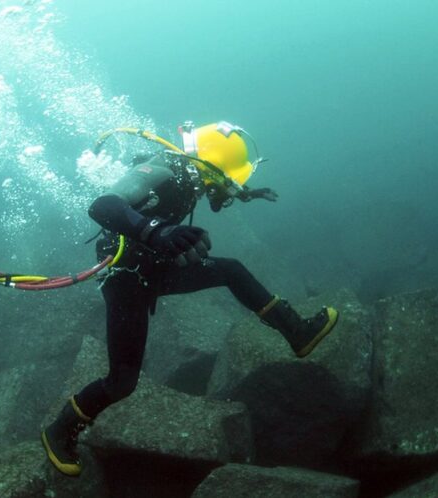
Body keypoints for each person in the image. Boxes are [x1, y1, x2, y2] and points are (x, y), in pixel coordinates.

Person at [41, 121, 339, 476]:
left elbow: (213, 192)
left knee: (231, 270)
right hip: (125, 278)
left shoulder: (194, 178)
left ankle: (297, 332)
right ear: (212, 166)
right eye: (227, 181)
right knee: (122, 381)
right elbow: (103, 205)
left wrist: (245, 193)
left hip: (154, 266)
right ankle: (59, 430)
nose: (226, 192)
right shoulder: (164, 169)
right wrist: (155, 231)